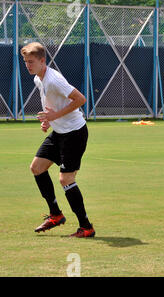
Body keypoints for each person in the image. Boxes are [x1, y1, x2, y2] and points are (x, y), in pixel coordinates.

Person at [22, 42, 95, 238]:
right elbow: (50, 104)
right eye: (25, 62)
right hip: (59, 132)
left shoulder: (54, 79)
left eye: (31, 62)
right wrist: (48, 120)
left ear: (42, 61)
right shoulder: (39, 79)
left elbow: (80, 99)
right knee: (36, 168)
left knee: (66, 179)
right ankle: (56, 215)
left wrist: (55, 117)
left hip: (74, 133)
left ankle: (86, 227)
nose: (28, 65)